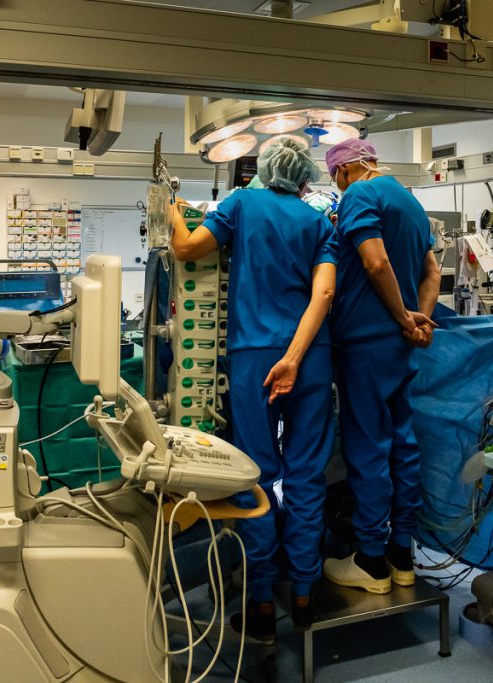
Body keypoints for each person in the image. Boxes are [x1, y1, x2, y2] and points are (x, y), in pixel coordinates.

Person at [170, 136, 338, 639]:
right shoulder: (317, 221)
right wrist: (295, 357)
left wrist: (175, 212)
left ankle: (262, 603)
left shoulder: (241, 203)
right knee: (307, 476)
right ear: (304, 175)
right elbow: (324, 292)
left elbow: (185, 248)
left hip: (254, 359)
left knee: (257, 475)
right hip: (310, 360)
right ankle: (304, 594)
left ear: (264, 168)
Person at [322, 138, 441, 595]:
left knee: (368, 446)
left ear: (346, 169)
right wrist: (419, 320)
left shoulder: (359, 195)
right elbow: (431, 271)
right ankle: (401, 552)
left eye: (336, 177)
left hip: (366, 343)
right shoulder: (409, 201)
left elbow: (374, 263)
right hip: (400, 346)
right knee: (402, 443)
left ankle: (371, 560)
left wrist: (398, 315)